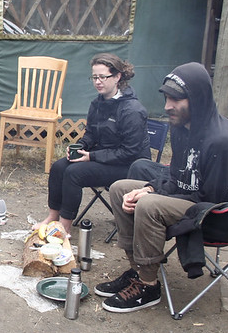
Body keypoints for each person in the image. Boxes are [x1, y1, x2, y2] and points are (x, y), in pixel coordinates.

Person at [96, 62, 228, 313]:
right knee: (120, 188)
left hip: (219, 213)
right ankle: (137, 270)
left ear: (197, 100)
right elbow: (176, 176)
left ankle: (148, 285)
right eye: (167, 98)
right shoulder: (182, 127)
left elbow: (209, 198)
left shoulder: (221, 141)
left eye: (176, 100)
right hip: (189, 195)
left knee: (148, 205)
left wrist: (152, 195)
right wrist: (149, 187)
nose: (168, 106)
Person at [33, 54, 150, 236]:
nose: (98, 82)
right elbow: (91, 134)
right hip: (105, 158)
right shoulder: (97, 103)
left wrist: (91, 156)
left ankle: (64, 228)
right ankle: (52, 217)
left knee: (74, 173)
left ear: (118, 77)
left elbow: (130, 152)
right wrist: (79, 147)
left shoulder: (132, 110)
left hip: (129, 166)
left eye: (103, 77)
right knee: (58, 167)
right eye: (95, 77)